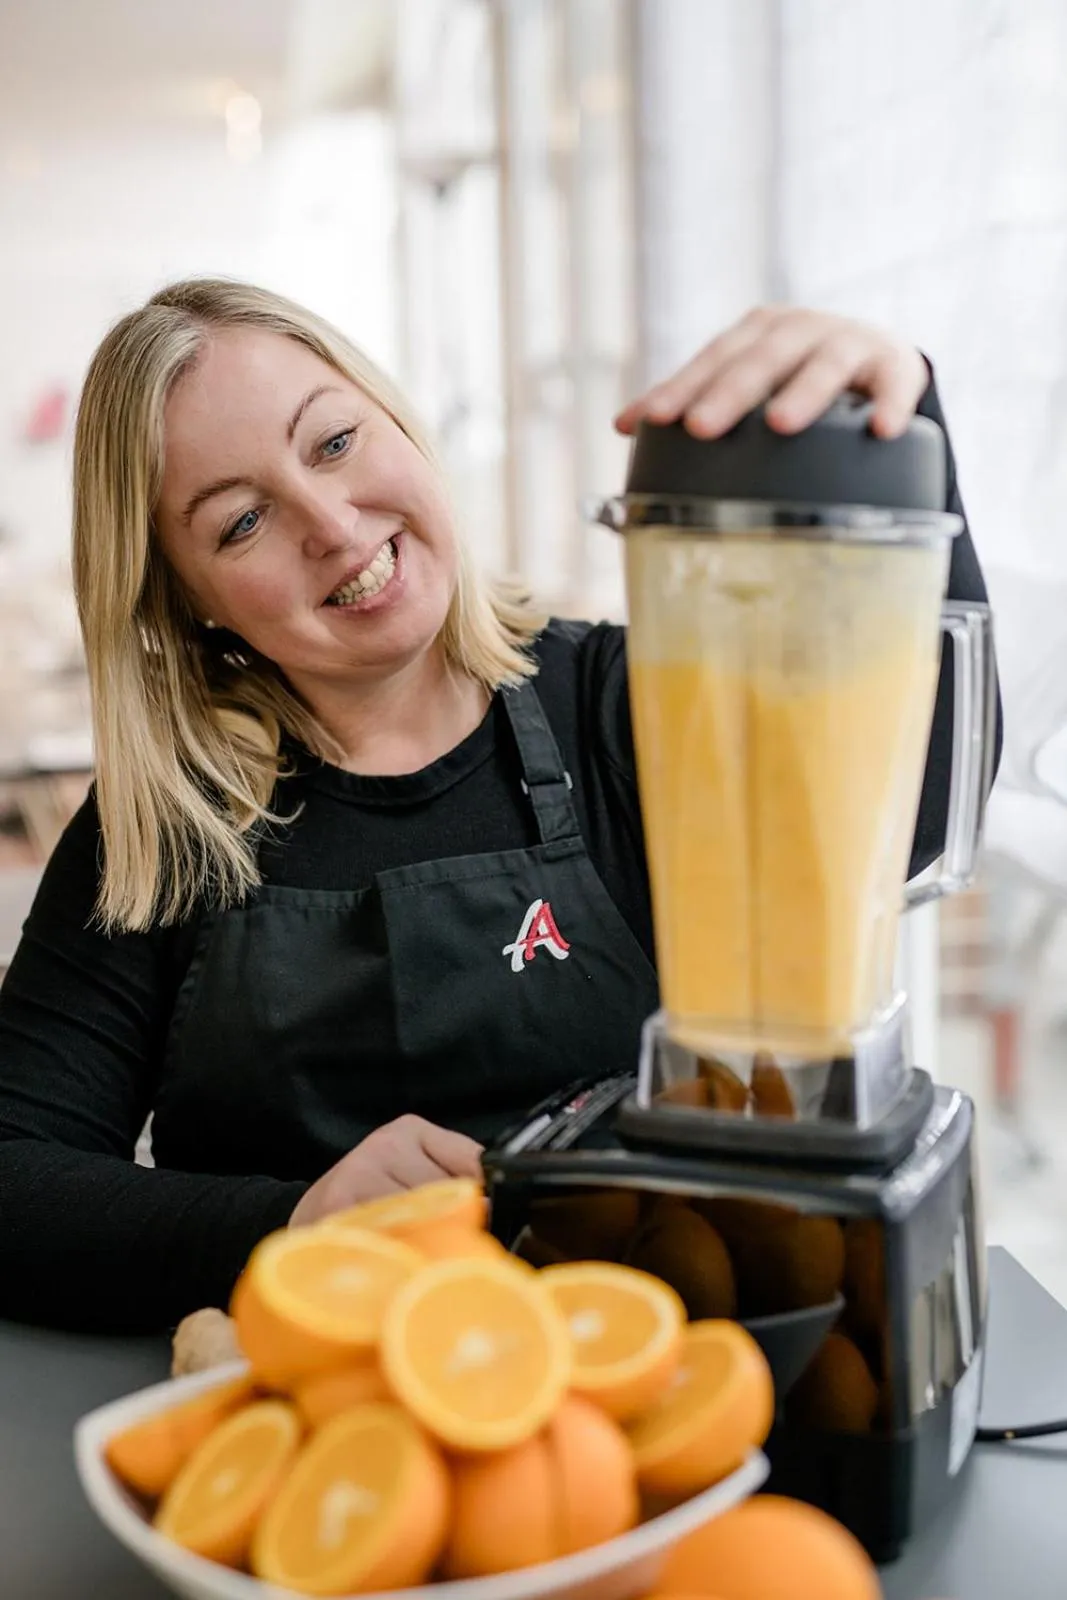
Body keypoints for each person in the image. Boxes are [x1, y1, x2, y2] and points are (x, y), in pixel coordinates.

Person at [0, 283, 996, 1333]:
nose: (333, 528)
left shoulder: (621, 703)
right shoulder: (164, 828)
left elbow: (912, 816)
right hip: (339, 1425)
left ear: (398, 423)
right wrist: (293, 1225)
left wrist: (901, 426)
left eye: (333, 442)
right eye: (242, 521)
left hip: (652, 1382)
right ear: (187, 597)